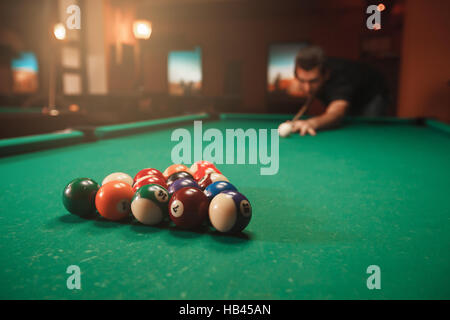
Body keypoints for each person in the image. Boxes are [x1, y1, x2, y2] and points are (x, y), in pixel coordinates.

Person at [281, 45, 389, 136]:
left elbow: (336, 113)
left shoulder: (342, 79)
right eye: (302, 81)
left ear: (326, 75)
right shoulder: (311, 77)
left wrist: (312, 123)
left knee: (367, 131)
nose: (307, 88)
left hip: (372, 94)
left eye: (313, 81)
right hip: (350, 92)